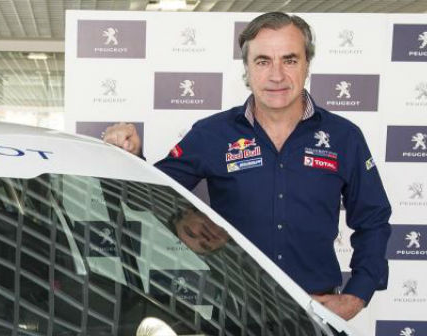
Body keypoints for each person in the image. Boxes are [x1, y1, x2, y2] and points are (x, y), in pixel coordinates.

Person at [102, 12, 391, 320]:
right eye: (263, 61)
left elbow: (373, 219)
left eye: (290, 60)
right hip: (233, 314)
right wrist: (130, 156)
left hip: (315, 312)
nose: (277, 75)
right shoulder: (213, 134)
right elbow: (149, 193)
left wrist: (358, 294)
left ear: (307, 64)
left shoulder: (344, 137)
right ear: (248, 69)